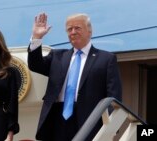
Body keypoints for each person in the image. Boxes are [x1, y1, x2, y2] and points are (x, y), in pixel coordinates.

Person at [27, 13, 122, 141]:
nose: (73, 32)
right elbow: (35, 65)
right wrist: (37, 38)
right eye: (69, 29)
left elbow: (113, 96)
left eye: (77, 28)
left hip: (89, 119)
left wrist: (111, 125)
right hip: (57, 119)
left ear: (89, 31)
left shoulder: (106, 59)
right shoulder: (57, 56)